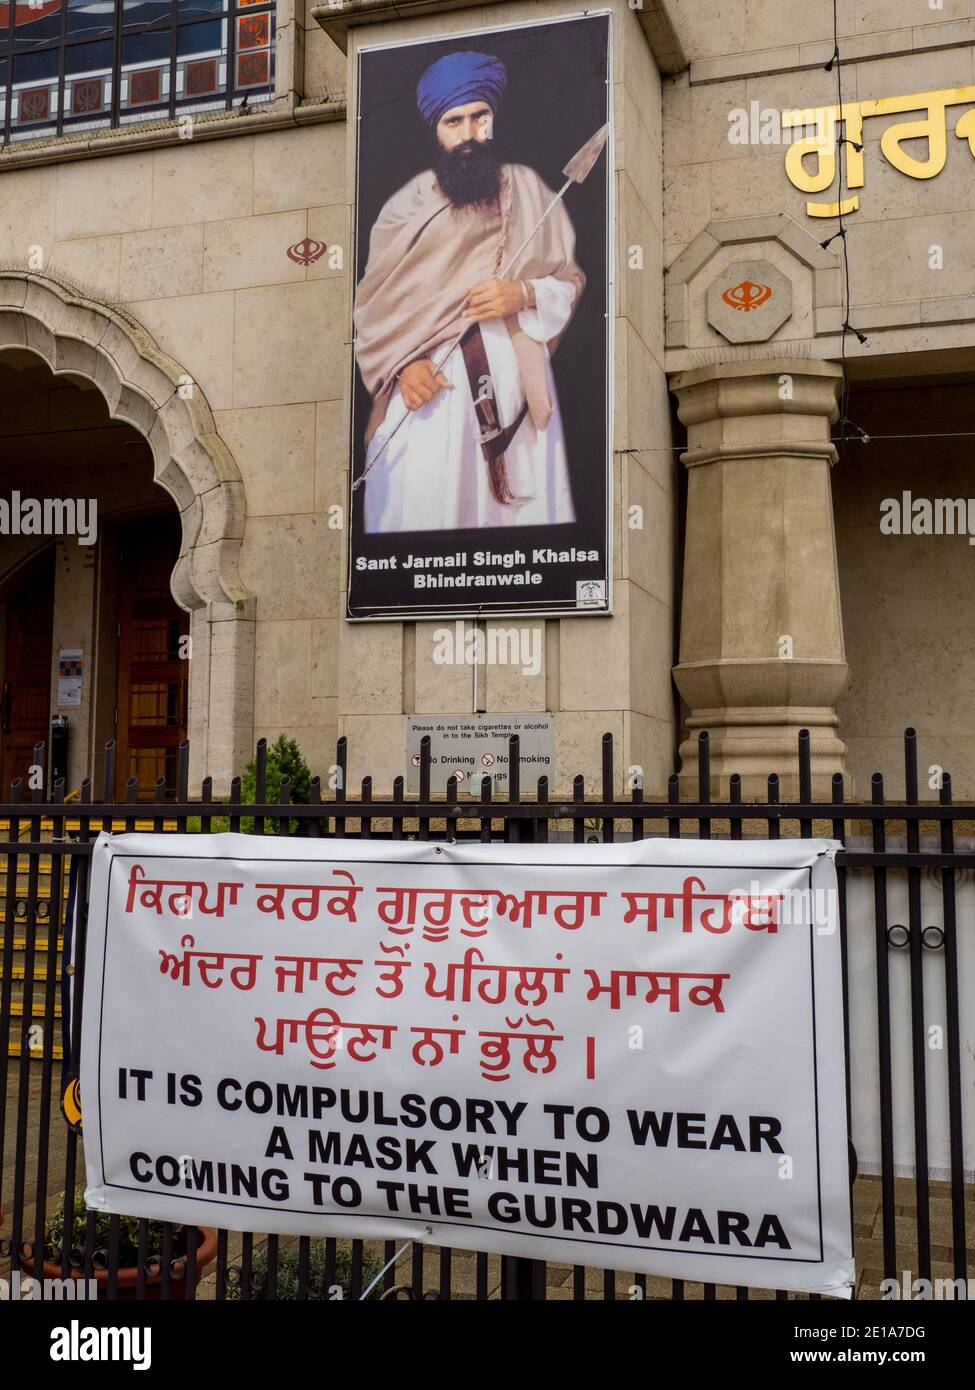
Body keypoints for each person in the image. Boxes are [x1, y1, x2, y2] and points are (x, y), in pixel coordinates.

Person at [353, 49, 585, 533]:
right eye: (453, 121)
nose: (468, 134)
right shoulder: (404, 209)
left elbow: (569, 281)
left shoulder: (527, 190)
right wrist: (404, 366)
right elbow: (374, 312)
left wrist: (522, 294)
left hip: (515, 391)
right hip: (429, 401)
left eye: (480, 117)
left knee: (519, 532)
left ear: (493, 119)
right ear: (435, 130)